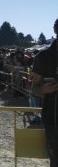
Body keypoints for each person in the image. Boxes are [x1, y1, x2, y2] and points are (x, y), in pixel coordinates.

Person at [31, 18, 58, 167]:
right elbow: (33, 88)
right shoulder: (43, 57)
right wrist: (43, 89)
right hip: (52, 118)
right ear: (55, 29)